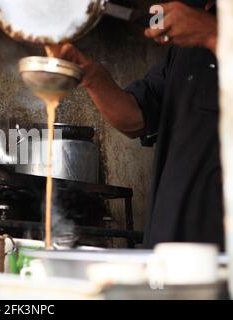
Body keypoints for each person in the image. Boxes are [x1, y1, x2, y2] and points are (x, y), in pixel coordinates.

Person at [48, 0, 223, 249]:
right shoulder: (185, 49)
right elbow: (135, 119)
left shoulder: (210, 30)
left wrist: (213, 34)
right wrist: (90, 75)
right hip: (169, 247)